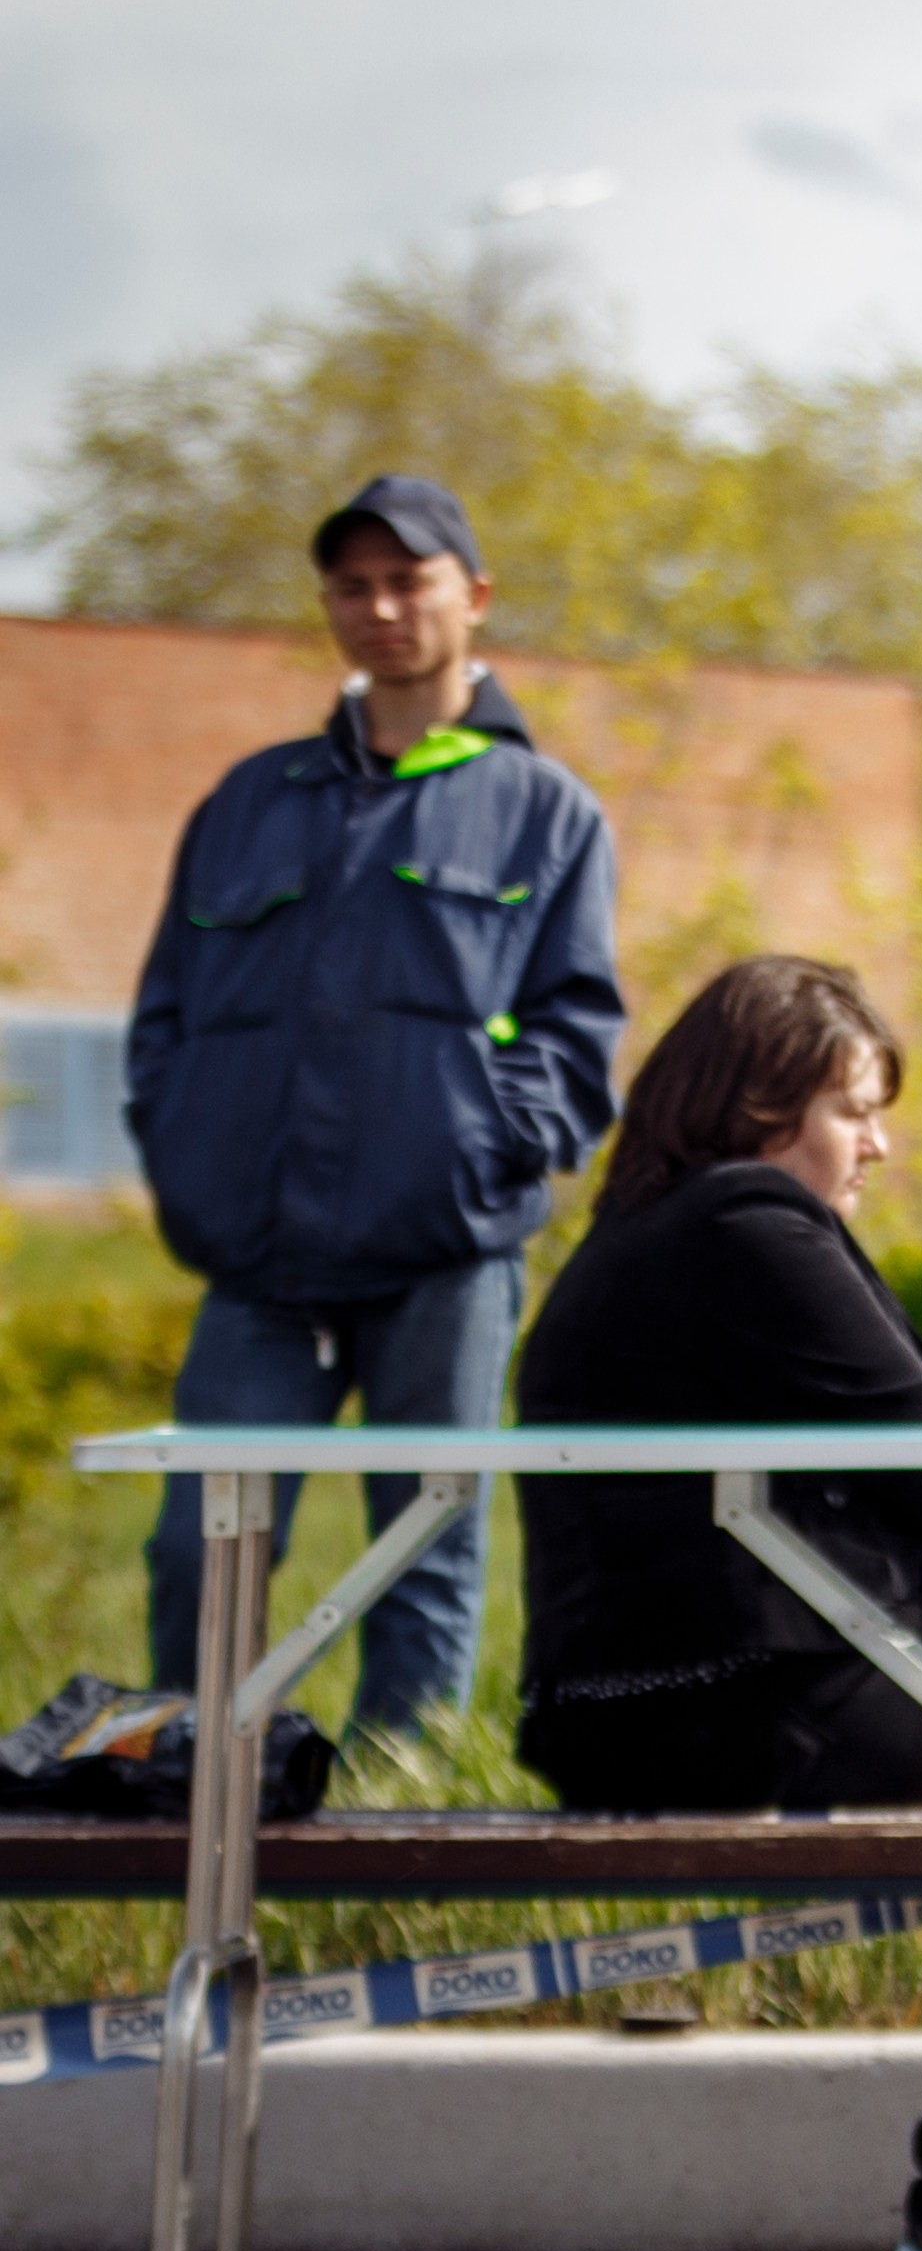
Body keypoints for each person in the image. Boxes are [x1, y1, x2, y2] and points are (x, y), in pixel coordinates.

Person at [129, 474, 622, 1737]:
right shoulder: (249, 800)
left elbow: (577, 1037)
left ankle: (399, 1807)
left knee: (423, 1553)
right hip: (258, 1261)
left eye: (409, 581)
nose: (381, 608)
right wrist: (192, 1157)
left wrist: (481, 1153)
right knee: (198, 1546)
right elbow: (165, 1017)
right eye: (353, 586)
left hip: (443, 1255)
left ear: (475, 595)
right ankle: (198, 1780)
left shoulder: (545, 811)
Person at [515, 953, 922, 1812]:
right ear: (757, 1103)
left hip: (640, 1708)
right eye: (852, 1111)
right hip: (735, 1709)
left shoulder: (649, 1227)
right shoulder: (743, 1226)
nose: (877, 1145)